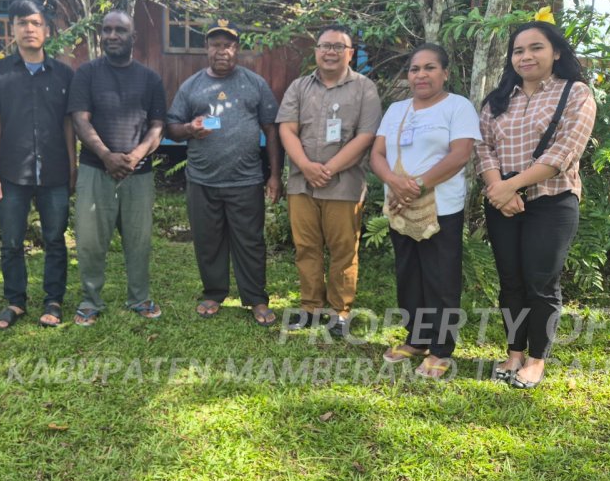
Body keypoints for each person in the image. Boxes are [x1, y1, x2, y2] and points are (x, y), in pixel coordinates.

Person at [477, 21, 596, 389]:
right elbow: (484, 147)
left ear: (556, 52)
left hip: (552, 200)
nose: (525, 56)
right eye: (518, 50)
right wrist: (498, 190)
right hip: (503, 202)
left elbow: (564, 152)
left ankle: (535, 359)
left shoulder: (575, 93)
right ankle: (514, 352)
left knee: (540, 282)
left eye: (536, 48)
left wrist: (510, 186)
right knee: (511, 281)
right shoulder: (498, 100)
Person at [370, 43, 481, 378]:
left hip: (440, 207)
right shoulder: (396, 109)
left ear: (445, 73)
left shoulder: (457, 107)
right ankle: (416, 339)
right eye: (415, 69)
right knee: (409, 274)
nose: (421, 74)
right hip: (400, 206)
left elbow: (460, 155)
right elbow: (377, 154)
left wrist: (416, 186)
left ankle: (441, 348)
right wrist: (394, 182)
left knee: (440, 277)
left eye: (430, 67)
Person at [165, 20, 282, 326]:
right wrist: (190, 128)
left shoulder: (255, 83)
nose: (222, 51)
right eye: (215, 45)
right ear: (207, 49)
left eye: (228, 45)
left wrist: (274, 174)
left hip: (246, 179)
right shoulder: (191, 86)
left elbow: (271, 129)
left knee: (250, 241)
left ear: (236, 49)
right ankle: (214, 292)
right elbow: (172, 127)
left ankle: (256, 298)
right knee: (208, 240)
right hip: (202, 179)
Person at [276, 24, 382, 336]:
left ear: (350, 53)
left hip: (344, 185)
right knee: (306, 247)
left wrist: (328, 169)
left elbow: (366, 136)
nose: (330, 52)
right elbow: (286, 129)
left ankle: (340, 312)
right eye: (325, 46)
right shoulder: (299, 87)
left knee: (343, 250)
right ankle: (310, 307)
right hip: (302, 183)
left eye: (338, 46)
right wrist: (306, 166)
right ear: (316, 51)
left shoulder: (364, 88)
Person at [0, 0, 75, 329]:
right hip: (11, 172)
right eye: (22, 23)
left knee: (55, 239)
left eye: (35, 23)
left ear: (46, 31)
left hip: (54, 171)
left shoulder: (63, 74)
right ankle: (15, 302)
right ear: (13, 30)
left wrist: (72, 167)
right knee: (11, 241)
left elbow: (68, 124)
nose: (29, 29)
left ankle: (53, 300)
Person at [67, 10, 166, 324]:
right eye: (106, 30)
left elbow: (158, 126)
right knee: (90, 241)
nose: (112, 35)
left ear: (132, 37)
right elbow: (80, 120)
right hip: (95, 170)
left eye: (119, 30)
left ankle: (140, 297)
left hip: (139, 173)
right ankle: (90, 300)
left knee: (139, 241)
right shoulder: (87, 74)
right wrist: (106, 155)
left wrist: (135, 155)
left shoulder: (150, 79)